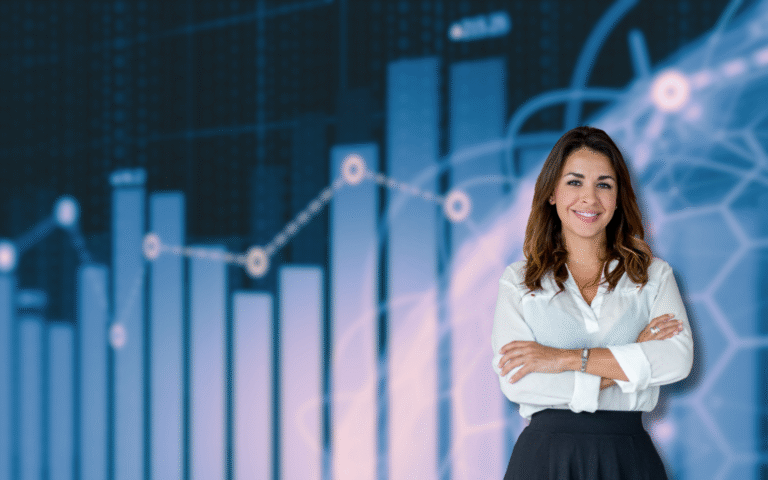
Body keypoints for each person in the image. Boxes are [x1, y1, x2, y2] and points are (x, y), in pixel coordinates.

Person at [491, 126, 693, 479]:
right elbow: (518, 382)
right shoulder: (519, 280)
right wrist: (630, 360)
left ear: (618, 197)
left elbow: (676, 360)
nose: (590, 198)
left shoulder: (653, 275)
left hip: (627, 457)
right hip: (544, 460)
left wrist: (563, 359)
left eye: (604, 184)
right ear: (551, 193)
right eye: (575, 182)